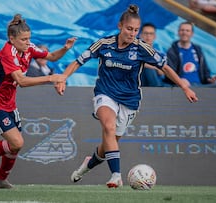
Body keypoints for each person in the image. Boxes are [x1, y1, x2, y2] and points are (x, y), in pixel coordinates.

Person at [55, 5, 198, 188]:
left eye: (136, 30)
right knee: (109, 126)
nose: (132, 33)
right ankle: (116, 176)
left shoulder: (142, 48)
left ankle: (86, 166)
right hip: (105, 93)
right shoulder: (104, 44)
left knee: (110, 142)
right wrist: (63, 78)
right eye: (129, 29)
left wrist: (184, 87)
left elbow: (166, 68)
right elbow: (78, 62)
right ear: (120, 26)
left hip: (130, 100)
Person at [0, 14, 76, 189]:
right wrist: (51, 78)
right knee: (17, 143)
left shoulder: (28, 48)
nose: (28, 42)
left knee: (15, 146)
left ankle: (0, 180)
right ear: (12, 39)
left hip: (8, 102)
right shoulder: (7, 53)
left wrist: (65, 48)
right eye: (24, 39)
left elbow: (51, 56)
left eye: (29, 38)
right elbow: (22, 81)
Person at [164, 21, 216, 87]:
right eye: (182, 30)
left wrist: (209, 79)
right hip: (183, 87)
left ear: (192, 34)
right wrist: (180, 80)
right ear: (178, 32)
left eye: (187, 31)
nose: (184, 33)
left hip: (200, 86)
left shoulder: (198, 49)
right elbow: (169, 73)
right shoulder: (172, 51)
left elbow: (205, 71)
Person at [139, 23, 165, 87]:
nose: (148, 36)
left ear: (155, 36)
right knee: (148, 68)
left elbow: (163, 73)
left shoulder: (161, 55)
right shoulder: (134, 51)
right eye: (146, 33)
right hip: (138, 83)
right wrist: (155, 68)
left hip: (158, 82)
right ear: (140, 35)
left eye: (151, 34)